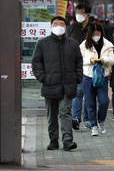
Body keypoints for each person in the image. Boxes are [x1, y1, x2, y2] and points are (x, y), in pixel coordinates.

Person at [32, 16, 83, 151]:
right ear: (51, 27)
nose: (59, 26)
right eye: (56, 24)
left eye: (62, 24)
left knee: (65, 111)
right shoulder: (42, 43)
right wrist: (43, 77)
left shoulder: (73, 44)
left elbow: (79, 62)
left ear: (66, 27)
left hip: (67, 85)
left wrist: (77, 77)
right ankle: (53, 140)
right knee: (51, 115)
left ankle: (67, 140)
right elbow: (36, 62)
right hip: (49, 85)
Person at [80, 23, 114, 136]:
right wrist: (89, 60)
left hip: (102, 77)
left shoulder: (108, 44)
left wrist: (104, 59)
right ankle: (93, 126)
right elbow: (79, 60)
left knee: (104, 101)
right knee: (90, 103)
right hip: (88, 77)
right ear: (90, 34)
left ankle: (101, 121)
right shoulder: (84, 45)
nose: (96, 36)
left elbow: (113, 59)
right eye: (94, 34)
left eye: (98, 33)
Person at [67, 3, 92, 130]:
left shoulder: (94, 28)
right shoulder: (71, 28)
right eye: (77, 12)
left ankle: (88, 118)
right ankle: (76, 118)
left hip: (90, 64)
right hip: (75, 64)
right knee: (77, 92)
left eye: (81, 12)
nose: (78, 15)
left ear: (88, 14)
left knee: (88, 93)